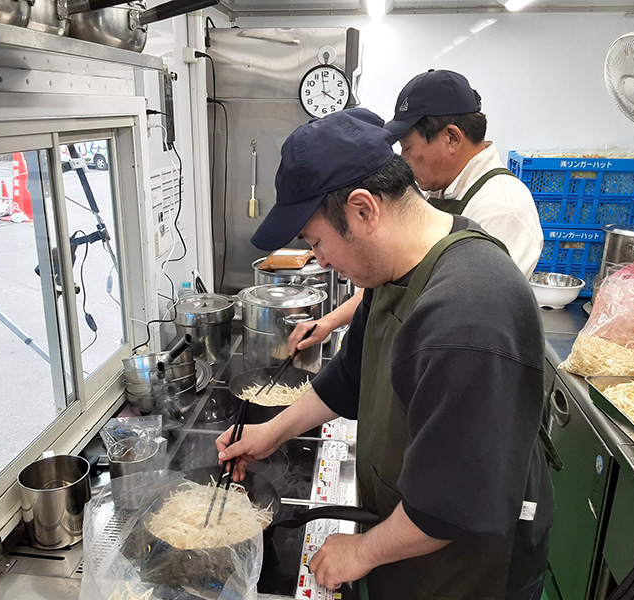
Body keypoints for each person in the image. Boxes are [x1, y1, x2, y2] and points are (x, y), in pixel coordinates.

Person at [216, 108, 552, 599]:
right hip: (413, 534)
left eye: (317, 242)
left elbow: (450, 504)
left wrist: (362, 550)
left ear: (363, 210)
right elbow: (349, 377)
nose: (321, 260)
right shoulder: (398, 268)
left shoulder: (468, 314)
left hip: (467, 568)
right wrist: (270, 431)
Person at [288, 69, 543, 356]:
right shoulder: (441, 193)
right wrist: (330, 323)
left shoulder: (500, 207)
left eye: (407, 148)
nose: (404, 162)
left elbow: (471, 321)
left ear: (451, 138)